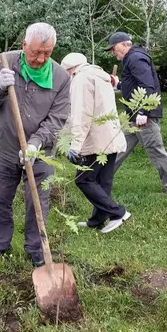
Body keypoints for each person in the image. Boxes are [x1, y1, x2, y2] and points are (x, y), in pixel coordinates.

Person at [0, 23, 70, 267]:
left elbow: (57, 118)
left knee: (37, 202)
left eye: (47, 53)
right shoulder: (5, 62)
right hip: (6, 148)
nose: (41, 59)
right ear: (23, 46)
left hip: (41, 153)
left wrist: (36, 144)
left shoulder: (61, 77)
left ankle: (36, 249)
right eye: (36, 52)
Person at [107, 31, 167, 194]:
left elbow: (148, 85)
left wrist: (143, 111)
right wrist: (119, 84)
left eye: (113, 49)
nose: (113, 53)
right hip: (132, 116)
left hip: (143, 117)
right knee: (118, 146)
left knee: (155, 150)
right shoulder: (131, 58)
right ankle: (100, 180)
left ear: (123, 44)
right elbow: (135, 85)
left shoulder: (135, 58)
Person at [61, 53, 130, 233]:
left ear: (70, 70)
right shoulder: (101, 76)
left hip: (96, 138)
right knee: (102, 180)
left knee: (83, 180)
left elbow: (82, 114)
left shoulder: (81, 79)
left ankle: (117, 213)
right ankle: (97, 220)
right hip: (111, 134)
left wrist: (75, 145)